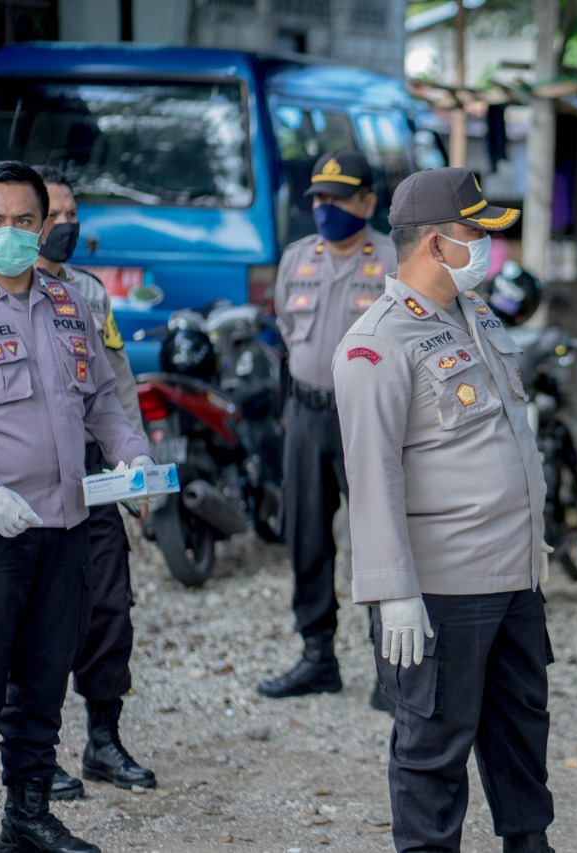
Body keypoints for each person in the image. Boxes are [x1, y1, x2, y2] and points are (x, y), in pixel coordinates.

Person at [0, 160, 152, 853]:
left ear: (42, 226)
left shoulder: (70, 305)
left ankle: (28, 814)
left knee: (44, 676)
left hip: (64, 524)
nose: (8, 233)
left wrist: (129, 451)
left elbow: (102, 397)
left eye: (22, 221)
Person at [332, 167, 556, 853]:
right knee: (433, 750)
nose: (489, 246)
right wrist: (392, 590)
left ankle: (529, 844)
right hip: (441, 590)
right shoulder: (378, 343)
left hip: (513, 578)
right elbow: (372, 478)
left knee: (521, 734)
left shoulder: (476, 315)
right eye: (475, 233)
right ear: (434, 244)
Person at [31, 165, 158, 800]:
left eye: (71, 213)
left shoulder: (88, 292)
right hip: (27, 475)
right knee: (40, 613)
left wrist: (136, 475)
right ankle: (35, 752)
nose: (64, 225)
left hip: (92, 471)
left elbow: (117, 385)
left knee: (109, 604)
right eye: (51, 214)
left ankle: (103, 742)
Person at [257, 150, 397, 707]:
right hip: (307, 414)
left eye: (339, 196)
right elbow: (287, 329)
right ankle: (318, 656)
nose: (325, 207)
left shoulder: (392, 259)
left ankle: (392, 664)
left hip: (367, 419)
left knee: (378, 536)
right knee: (307, 534)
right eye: (318, 197)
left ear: (367, 201)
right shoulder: (297, 258)